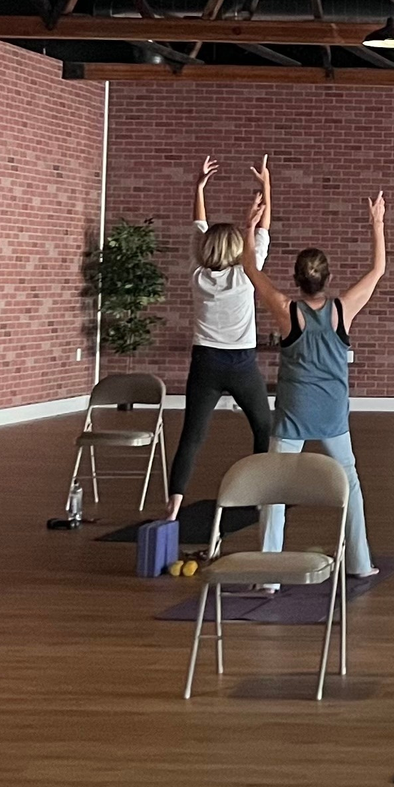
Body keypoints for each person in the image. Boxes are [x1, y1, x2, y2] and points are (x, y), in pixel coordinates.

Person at [239, 177, 385, 582]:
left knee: (274, 489)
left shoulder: (288, 310)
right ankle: (359, 563)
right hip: (333, 413)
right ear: (325, 277)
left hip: (294, 414)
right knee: (349, 484)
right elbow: (378, 269)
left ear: (298, 278)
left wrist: (249, 227)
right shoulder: (342, 309)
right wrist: (377, 224)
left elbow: (250, 268)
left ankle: (268, 573)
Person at [162, 156, 274, 523]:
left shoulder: (197, 274)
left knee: (192, 437)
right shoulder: (246, 276)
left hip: (205, 363)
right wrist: (265, 189)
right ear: (239, 252)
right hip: (241, 363)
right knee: (264, 427)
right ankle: (261, 496)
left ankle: (173, 506)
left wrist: (198, 187)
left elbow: (200, 227)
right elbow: (261, 232)